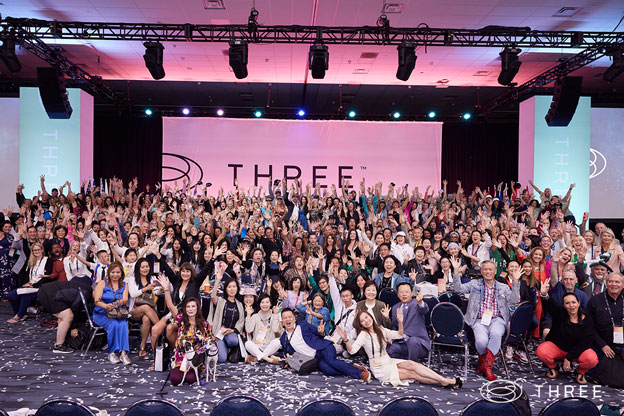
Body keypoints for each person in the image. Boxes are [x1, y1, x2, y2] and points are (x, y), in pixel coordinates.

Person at [337, 309, 461, 388]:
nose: (366, 321)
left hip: (388, 360)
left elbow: (399, 334)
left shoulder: (380, 329)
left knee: (412, 364)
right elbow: (352, 350)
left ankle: (444, 380)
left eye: (366, 317)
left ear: (371, 317)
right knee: (412, 374)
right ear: (360, 324)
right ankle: (445, 381)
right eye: (362, 321)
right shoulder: (363, 335)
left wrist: (400, 322)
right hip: (378, 367)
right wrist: (346, 339)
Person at [452, 259, 520, 381]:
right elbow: (458, 289)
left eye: (490, 269)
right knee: (482, 342)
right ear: (481, 271)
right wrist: (456, 271)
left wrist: (515, 282)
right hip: (478, 320)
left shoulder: (503, 287)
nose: (488, 272)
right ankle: (483, 363)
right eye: (485, 269)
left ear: (495, 272)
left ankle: (487, 367)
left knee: (496, 334)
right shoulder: (474, 284)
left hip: (497, 319)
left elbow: (514, 300)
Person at [279, 308, 370, 382]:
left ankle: (360, 374)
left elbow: (319, 334)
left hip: (323, 347)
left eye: (290, 317)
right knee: (328, 370)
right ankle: (352, 367)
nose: (288, 319)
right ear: (282, 321)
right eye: (285, 318)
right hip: (314, 359)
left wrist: (321, 332)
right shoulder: (284, 338)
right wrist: (287, 362)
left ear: (294, 318)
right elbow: (286, 353)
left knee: (332, 361)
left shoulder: (303, 325)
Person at [536, 284, 599, 384]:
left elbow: (586, 342)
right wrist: (544, 294)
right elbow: (551, 303)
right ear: (564, 305)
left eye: (574, 302)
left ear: (579, 303)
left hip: (577, 351)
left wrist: (569, 357)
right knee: (542, 351)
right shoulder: (559, 313)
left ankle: (580, 372)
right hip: (558, 348)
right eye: (568, 303)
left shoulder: (587, 319)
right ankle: (554, 367)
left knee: (592, 359)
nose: (571, 305)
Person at [170, 297, 216, 385]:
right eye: (188, 307)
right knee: (175, 379)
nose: (190, 309)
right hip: (182, 357)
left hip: (196, 358)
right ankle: (175, 369)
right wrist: (166, 290)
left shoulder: (205, 325)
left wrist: (203, 348)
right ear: (185, 309)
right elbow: (171, 307)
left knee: (191, 379)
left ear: (197, 308)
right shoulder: (181, 321)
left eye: (193, 306)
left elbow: (211, 340)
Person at [92, 261, 131, 365]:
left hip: (117, 312)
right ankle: (112, 352)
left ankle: (123, 354)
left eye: (118, 272)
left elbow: (126, 299)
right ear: (109, 273)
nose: (115, 275)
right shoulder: (102, 283)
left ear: (121, 273)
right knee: (113, 324)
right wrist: (105, 306)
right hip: (101, 313)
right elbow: (96, 300)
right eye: (113, 272)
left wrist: (121, 302)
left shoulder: (124, 284)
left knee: (123, 324)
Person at [7, 242, 53, 323]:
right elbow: (28, 276)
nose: (36, 252)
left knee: (26, 296)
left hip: (40, 287)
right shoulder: (31, 261)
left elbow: (47, 277)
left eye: (38, 249)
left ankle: (19, 316)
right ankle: (20, 313)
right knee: (11, 295)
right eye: (34, 250)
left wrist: (34, 285)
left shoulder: (48, 260)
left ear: (42, 249)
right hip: (30, 286)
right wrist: (28, 284)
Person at [386, 282, 430, 362]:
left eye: (406, 292)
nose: (404, 294)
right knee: (389, 350)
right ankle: (405, 362)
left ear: (411, 293)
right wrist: (391, 339)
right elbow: (394, 327)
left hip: (418, 343)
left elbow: (424, 309)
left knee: (412, 341)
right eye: (401, 292)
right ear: (398, 294)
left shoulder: (416, 303)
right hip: (402, 343)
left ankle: (412, 366)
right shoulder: (396, 307)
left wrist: (420, 302)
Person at [208, 269, 245, 363]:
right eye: (229, 287)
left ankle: (227, 345)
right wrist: (218, 280)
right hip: (219, 334)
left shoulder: (239, 304)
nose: (232, 289)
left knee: (234, 341)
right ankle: (223, 346)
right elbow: (212, 296)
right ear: (225, 289)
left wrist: (233, 330)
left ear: (237, 288)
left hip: (230, 333)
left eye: (234, 286)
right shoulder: (221, 301)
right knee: (222, 359)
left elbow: (241, 321)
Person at [586, 273, 624, 361]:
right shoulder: (594, 301)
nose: (614, 284)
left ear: (623, 285)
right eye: (610, 281)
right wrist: (602, 345)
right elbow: (588, 326)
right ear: (606, 284)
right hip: (600, 344)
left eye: (617, 282)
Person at [244, 293, 282, 364]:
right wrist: (248, 315)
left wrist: (276, 314)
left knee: (278, 341)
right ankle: (268, 359)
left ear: (270, 304)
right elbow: (248, 330)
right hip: (257, 346)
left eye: (267, 302)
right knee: (247, 343)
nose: (265, 304)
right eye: (262, 302)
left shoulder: (274, 315)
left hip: (270, 346)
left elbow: (276, 330)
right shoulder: (255, 316)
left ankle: (256, 358)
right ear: (259, 304)